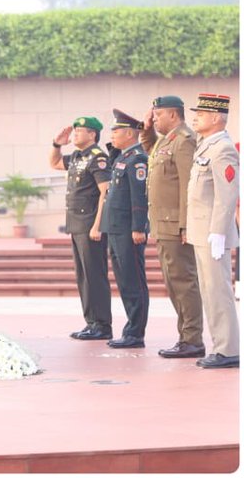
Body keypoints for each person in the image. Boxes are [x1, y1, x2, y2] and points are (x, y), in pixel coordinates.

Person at [141, 94, 204, 358]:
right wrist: (146, 130)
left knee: (183, 281)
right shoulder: (168, 141)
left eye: (158, 115)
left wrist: (185, 225)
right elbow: (151, 151)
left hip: (175, 225)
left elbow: (189, 186)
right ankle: (185, 337)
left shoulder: (184, 141)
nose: (154, 118)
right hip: (163, 224)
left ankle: (192, 339)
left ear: (173, 115)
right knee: (173, 282)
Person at [186, 93, 240, 369]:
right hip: (202, 231)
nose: (195, 117)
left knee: (218, 291)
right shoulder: (206, 145)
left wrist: (219, 232)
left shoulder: (223, 149)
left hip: (212, 234)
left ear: (216, 118)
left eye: (201, 114)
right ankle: (220, 346)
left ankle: (228, 349)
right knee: (209, 290)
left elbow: (227, 195)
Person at [49, 115, 113, 340]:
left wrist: (98, 226)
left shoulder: (98, 158)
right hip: (76, 224)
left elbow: (106, 192)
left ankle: (103, 325)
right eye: (74, 130)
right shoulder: (77, 156)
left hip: (90, 225)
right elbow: (55, 163)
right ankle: (91, 322)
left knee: (95, 275)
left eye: (80, 131)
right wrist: (57, 144)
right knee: (83, 276)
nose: (75, 134)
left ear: (92, 135)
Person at [102, 111, 150, 348]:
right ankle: (131, 329)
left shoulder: (138, 159)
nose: (112, 135)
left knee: (134, 281)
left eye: (116, 130)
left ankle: (135, 333)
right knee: (123, 280)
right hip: (116, 228)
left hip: (129, 230)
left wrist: (138, 227)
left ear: (130, 133)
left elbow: (139, 194)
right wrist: (114, 145)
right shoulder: (123, 157)